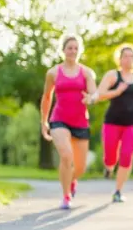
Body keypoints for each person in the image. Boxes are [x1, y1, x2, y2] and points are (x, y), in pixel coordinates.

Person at [83, 43, 133, 203]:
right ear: (120, 59)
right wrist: (117, 91)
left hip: (132, 123)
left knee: (126, 156)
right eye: (125, 56)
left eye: (131, 56)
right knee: (111, 156)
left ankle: (118, 190)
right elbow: (100, 94)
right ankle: (109, 167)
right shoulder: (113, 75)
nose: (128, 59)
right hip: (112, 121)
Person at [40, 35, 97, 209]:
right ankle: (66, 197)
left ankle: (71, 180)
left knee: (80, 168)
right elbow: (47, 97)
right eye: (69, 47)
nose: (72, 51)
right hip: (59, 120)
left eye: (75, 48)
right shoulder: (53, 72)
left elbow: (94, 93)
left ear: (79, 51)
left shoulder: (87, 72)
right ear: (63, 50)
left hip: (80, 121)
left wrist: (91, 98)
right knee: (66, 156)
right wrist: (44, 122)